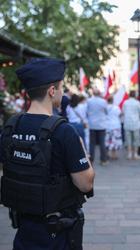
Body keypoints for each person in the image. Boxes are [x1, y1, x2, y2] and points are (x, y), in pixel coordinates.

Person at [0, 58, 95, 250]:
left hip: (24, 230)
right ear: (52, 91)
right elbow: (85, 184)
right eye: (61, 87)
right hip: (58, 233)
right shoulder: (64, 131)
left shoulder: (10, 126)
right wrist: (84, 154)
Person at [87, 88, 108, 165]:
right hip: (101, 125)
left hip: (92, 124)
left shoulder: (89, 101)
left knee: (92, 143)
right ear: (99, 93)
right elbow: (106, 111)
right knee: (102, 143)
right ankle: (103, 160)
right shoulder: (103, 101)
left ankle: (91, 160)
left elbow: (87, 111)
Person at [122, 90, 140, 160]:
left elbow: (123, 111)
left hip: (127, 123)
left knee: (128, 140)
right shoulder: (137, 103)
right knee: (136, 139)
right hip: (135, 123)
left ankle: (129, 154)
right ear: (135, 95)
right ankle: (135, 154)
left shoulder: (125, 102)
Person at [105, 96, 122, 160]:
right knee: (115, 141)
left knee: (108, 140)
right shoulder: (116, 107)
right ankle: (114, 155)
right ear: (112, 100)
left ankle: (107, 154)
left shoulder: (105, 107)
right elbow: (120, 114)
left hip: (107, 126)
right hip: (116, 125)